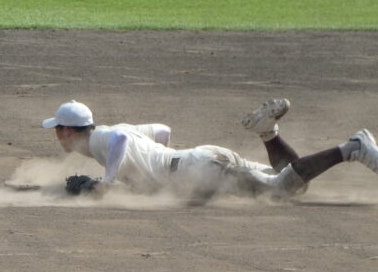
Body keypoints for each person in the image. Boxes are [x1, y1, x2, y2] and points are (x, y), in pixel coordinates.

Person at [43, 98, 378, 202]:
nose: (57, 135)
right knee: (291, 181)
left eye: (57, 129)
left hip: (200, 168)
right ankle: (268, 133)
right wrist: (155, 166)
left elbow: (120, 141)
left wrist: (109, 181)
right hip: (200, 158)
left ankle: (353, 147)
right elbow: (162, 130)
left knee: (280, 190)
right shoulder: (117, 130)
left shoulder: (101, 139)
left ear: (67, 130)